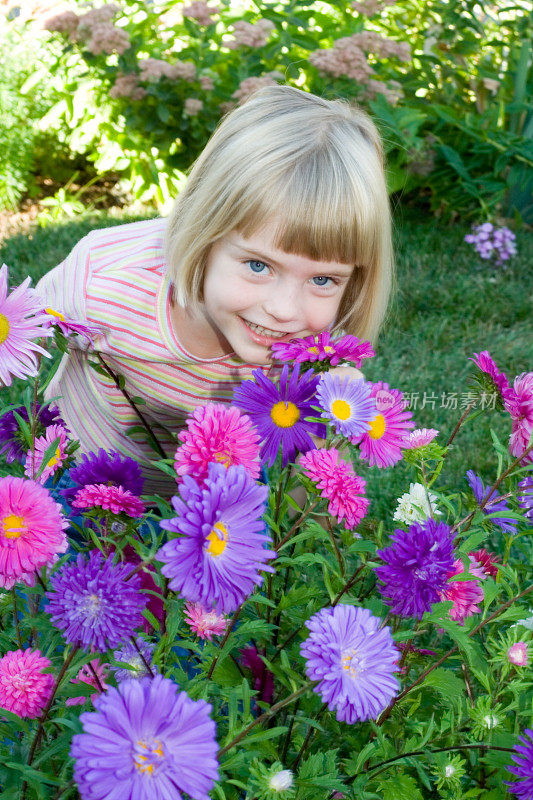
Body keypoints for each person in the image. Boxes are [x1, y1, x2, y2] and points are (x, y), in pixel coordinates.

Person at [36, 84, 393, 500]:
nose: (283, 310)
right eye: (258, 266)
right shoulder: (103, 281)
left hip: (215, 509)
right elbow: (22, 338)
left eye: (322, 280)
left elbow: (295, 507)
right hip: (77, 473)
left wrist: (334, 427)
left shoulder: (316, 356)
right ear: (203, 232)